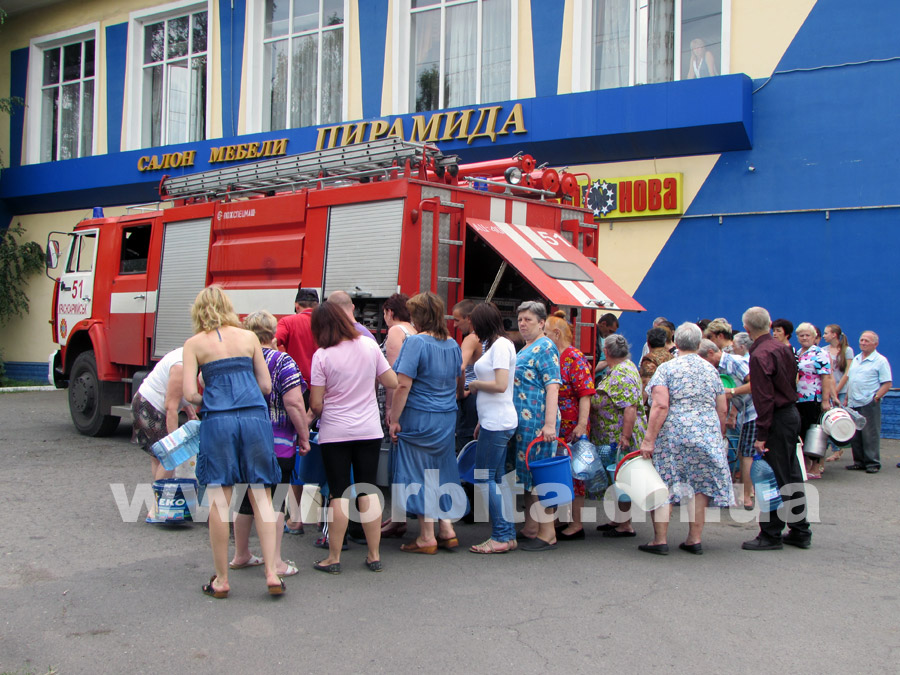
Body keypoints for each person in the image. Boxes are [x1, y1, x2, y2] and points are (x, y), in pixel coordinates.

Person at [182, 286, 284, 598]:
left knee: (219, 500)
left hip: (219, 421)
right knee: (261, 495)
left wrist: (212, 397)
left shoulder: (194, 344)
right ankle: (272, 573)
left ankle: (222, 580)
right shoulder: (249, 338)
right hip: (254, 419)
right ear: (228, 307)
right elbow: (266, 386)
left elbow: (189, 393)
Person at [308, 301, 398, 573]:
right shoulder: (369, 345)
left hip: (335, 431)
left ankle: (334, 558)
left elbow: (316, 404)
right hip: (368, 430)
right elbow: (392, 381)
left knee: (339, 492)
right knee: (367, 489)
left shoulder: (322, 356)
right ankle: (374, 555)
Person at [229, 311, 311, 578]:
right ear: (273, 333)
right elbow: (294, 402)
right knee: (275, 502)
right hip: (277, 443)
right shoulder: (281, 360)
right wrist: (303, 435)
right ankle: (274, 562)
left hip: (243, 439)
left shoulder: (239, 360)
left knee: (244, 497)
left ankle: (241, 554)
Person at [638, 323, 732, 555]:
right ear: (699, 344)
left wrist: (649, 439)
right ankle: (694, 539)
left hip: (674, 432)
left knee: (665, 483)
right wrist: (718, 434)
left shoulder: (667, 369)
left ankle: (660, 540)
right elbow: (722, 407)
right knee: (700, 486)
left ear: (675, 343)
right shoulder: (710, 369)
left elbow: (660, 405)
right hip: (706, 431)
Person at [389, 292, 465, 554]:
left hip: (419, 415)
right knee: (440, 470)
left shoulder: (416, 343)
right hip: (446, 416)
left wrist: (394, 419)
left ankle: (426, 537)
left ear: (419, 317)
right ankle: (447, 529)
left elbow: (403, 385)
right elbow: (459, 379)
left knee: (418, 472)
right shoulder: (453, 344)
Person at [740, 306, 811, 551]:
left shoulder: (760, 355)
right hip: (789, 413)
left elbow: (764, 398)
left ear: (747, 329)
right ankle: (800, 529)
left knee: (772, 478)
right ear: (770, 325)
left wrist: (761, 434)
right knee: (790, 474)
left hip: (777, 417)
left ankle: (771, 533)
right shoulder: (783, 348)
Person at [466, 303, 518, 554]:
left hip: (497, 422)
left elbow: (500, 385)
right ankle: (507, 534)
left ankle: (501, 535)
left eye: (474, 324)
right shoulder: (497, 345)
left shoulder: (500, 346)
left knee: (484, 477)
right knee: (496, 479)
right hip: (493, 420)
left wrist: (475, 384)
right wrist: (480, 420)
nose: (473, 330)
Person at [511, 300, 562, 551]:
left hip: (539, 423)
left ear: (542, 323)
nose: (522, 324)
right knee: (528, 477)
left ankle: (548, 532)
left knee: (541, 477)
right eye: (520, 319)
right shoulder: (527, 347)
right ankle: (532, 527)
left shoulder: (545, 347)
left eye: (528, 320)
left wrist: (549, 424)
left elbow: (553, 385)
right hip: (525, 424)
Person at [541, 310, 595, 540]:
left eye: (545, 333)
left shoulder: (574, 357)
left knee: (575, 473)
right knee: (560, 471)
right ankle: (562, 518)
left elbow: (585, 393)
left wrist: (581, 425)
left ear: (556, 333)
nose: (543, 337)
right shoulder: (555, 356)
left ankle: (576, 523)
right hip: (559, 423)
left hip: (572, 424)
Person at [130, 347, 197, 522]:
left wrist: (191, 413)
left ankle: (162, 503)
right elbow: (171, 407)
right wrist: (174, 441)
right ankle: (157, 507)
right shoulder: (181, 366)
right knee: (169, 458)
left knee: (159, 460)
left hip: (147, 404)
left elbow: (179, 393)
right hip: (149, 408)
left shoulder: (188, 355)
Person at [590, 334, 647, 538]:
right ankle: (619, 519)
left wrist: (625, 437)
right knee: (617, 478)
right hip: (611, 436)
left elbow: (629, 407)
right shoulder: (624, 366)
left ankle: (625, 524)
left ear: (606, 351)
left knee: (622, 479)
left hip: (619, 437)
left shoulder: (621, 373)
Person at [275, 286, 319, 534]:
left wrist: (285, 360)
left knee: (294, 447)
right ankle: (322, 517)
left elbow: (275, 342)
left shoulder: (288, 322)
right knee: (321, 447)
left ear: (296, 305)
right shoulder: (325, 322)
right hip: (322, 390)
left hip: (296, 389)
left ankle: (296, 517)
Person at [378, 293, 417, 539]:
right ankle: (399, 515)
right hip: (414, 404)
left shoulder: (396, 331)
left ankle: (399, 518)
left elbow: (395, 375)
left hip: (398, 404)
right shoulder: (415, 331)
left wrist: (391, 410)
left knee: (397, 461)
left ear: (390, 312)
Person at [837, 331, 892, 474]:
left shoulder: (880, 361)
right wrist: (847, 397)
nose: (863, 343)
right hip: (853, 402)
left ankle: (872, 463)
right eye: (862, 340)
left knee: (870, 433)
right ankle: (859, 462)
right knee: (855, 433)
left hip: (868, 402)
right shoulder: (856, 359)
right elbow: (851, 380)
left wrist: (876, 397)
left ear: (875, 344)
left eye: (867, 341)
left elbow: (887, 383)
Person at [794, 322, 835, 478]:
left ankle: (816, 467)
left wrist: (825, 400)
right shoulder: (797, 353)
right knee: (802, 431)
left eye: (807, 335)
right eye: (801, 335)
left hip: (814, 398)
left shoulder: (819, 353)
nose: (804, 338)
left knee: (815, 433)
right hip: (799, 399)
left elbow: (826, 377)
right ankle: (805, 465)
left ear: (814, 337)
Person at [452, 299, 483, 452]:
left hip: (469, 396)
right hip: (482, 395)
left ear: (469, 318)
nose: (454, 325)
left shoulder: (470, 339)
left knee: (465, 444)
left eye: (457, 320)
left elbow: (461, 368)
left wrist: (459, 393)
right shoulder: (491, 338)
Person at [275, 286, 320, 386]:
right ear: (317, 306)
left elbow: (272, 341)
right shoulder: (330, 322)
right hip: (324, 384)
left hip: (298, 382)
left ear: (297, 306)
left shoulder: (287, 322)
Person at [824, 324, 854, 463]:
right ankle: (829, 448)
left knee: (838, 420)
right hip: (828, 391)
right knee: (827, 421)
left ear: (834, 335)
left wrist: (837, 389)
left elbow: (848, 372)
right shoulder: (824, 350)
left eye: (826, 333)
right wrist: (829, 390)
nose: (824, 336)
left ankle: (838, 449)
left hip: (840, 391)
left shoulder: (847, 350)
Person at [639, 326, 674, 405]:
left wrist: (641, 406)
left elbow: (646, 382)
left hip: (656, 402)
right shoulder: (671, 357)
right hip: (670, 399)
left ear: (648, 343)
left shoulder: (649, 360)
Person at [594, 312, 619, 379]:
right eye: (610, 331)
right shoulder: (593, 335)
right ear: (603, 324)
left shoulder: (598, 336)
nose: (610, 335)